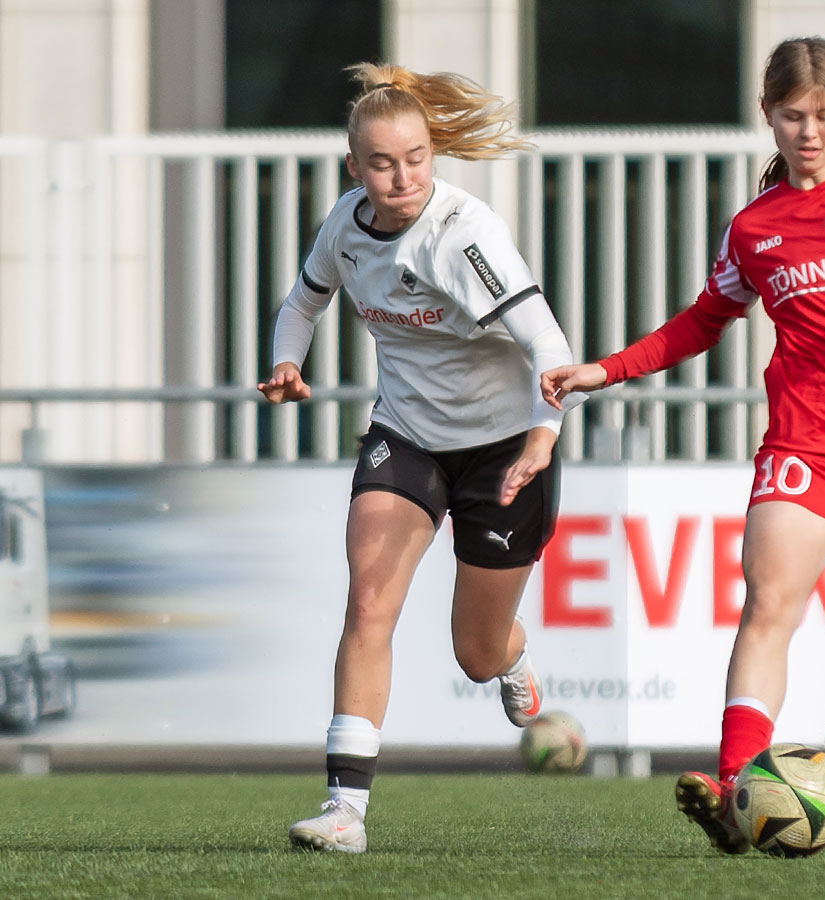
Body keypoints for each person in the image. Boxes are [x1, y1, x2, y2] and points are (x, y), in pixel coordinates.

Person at [540, 36, 825, 853]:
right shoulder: (754, 227)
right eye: (793, 116)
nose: (809, 131)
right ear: (768, 117)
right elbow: (702, 321)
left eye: (823, 114)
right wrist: (605, 370)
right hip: (806, 442)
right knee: (769, 605)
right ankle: (733, 786)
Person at [260, 62, 581, 854]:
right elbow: (303, 302)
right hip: (405, 437)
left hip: (506, 449)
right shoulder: (345, 224)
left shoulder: (466, 235)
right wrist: (285, 363)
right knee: (368, 602)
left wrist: (543, 436)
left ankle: (511, 655)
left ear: (432, 154)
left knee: (474, 653)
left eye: (415, 159)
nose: (401, 178)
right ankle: (344, 810)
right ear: (353, 167)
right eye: (381, 163)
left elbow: (550, 344)